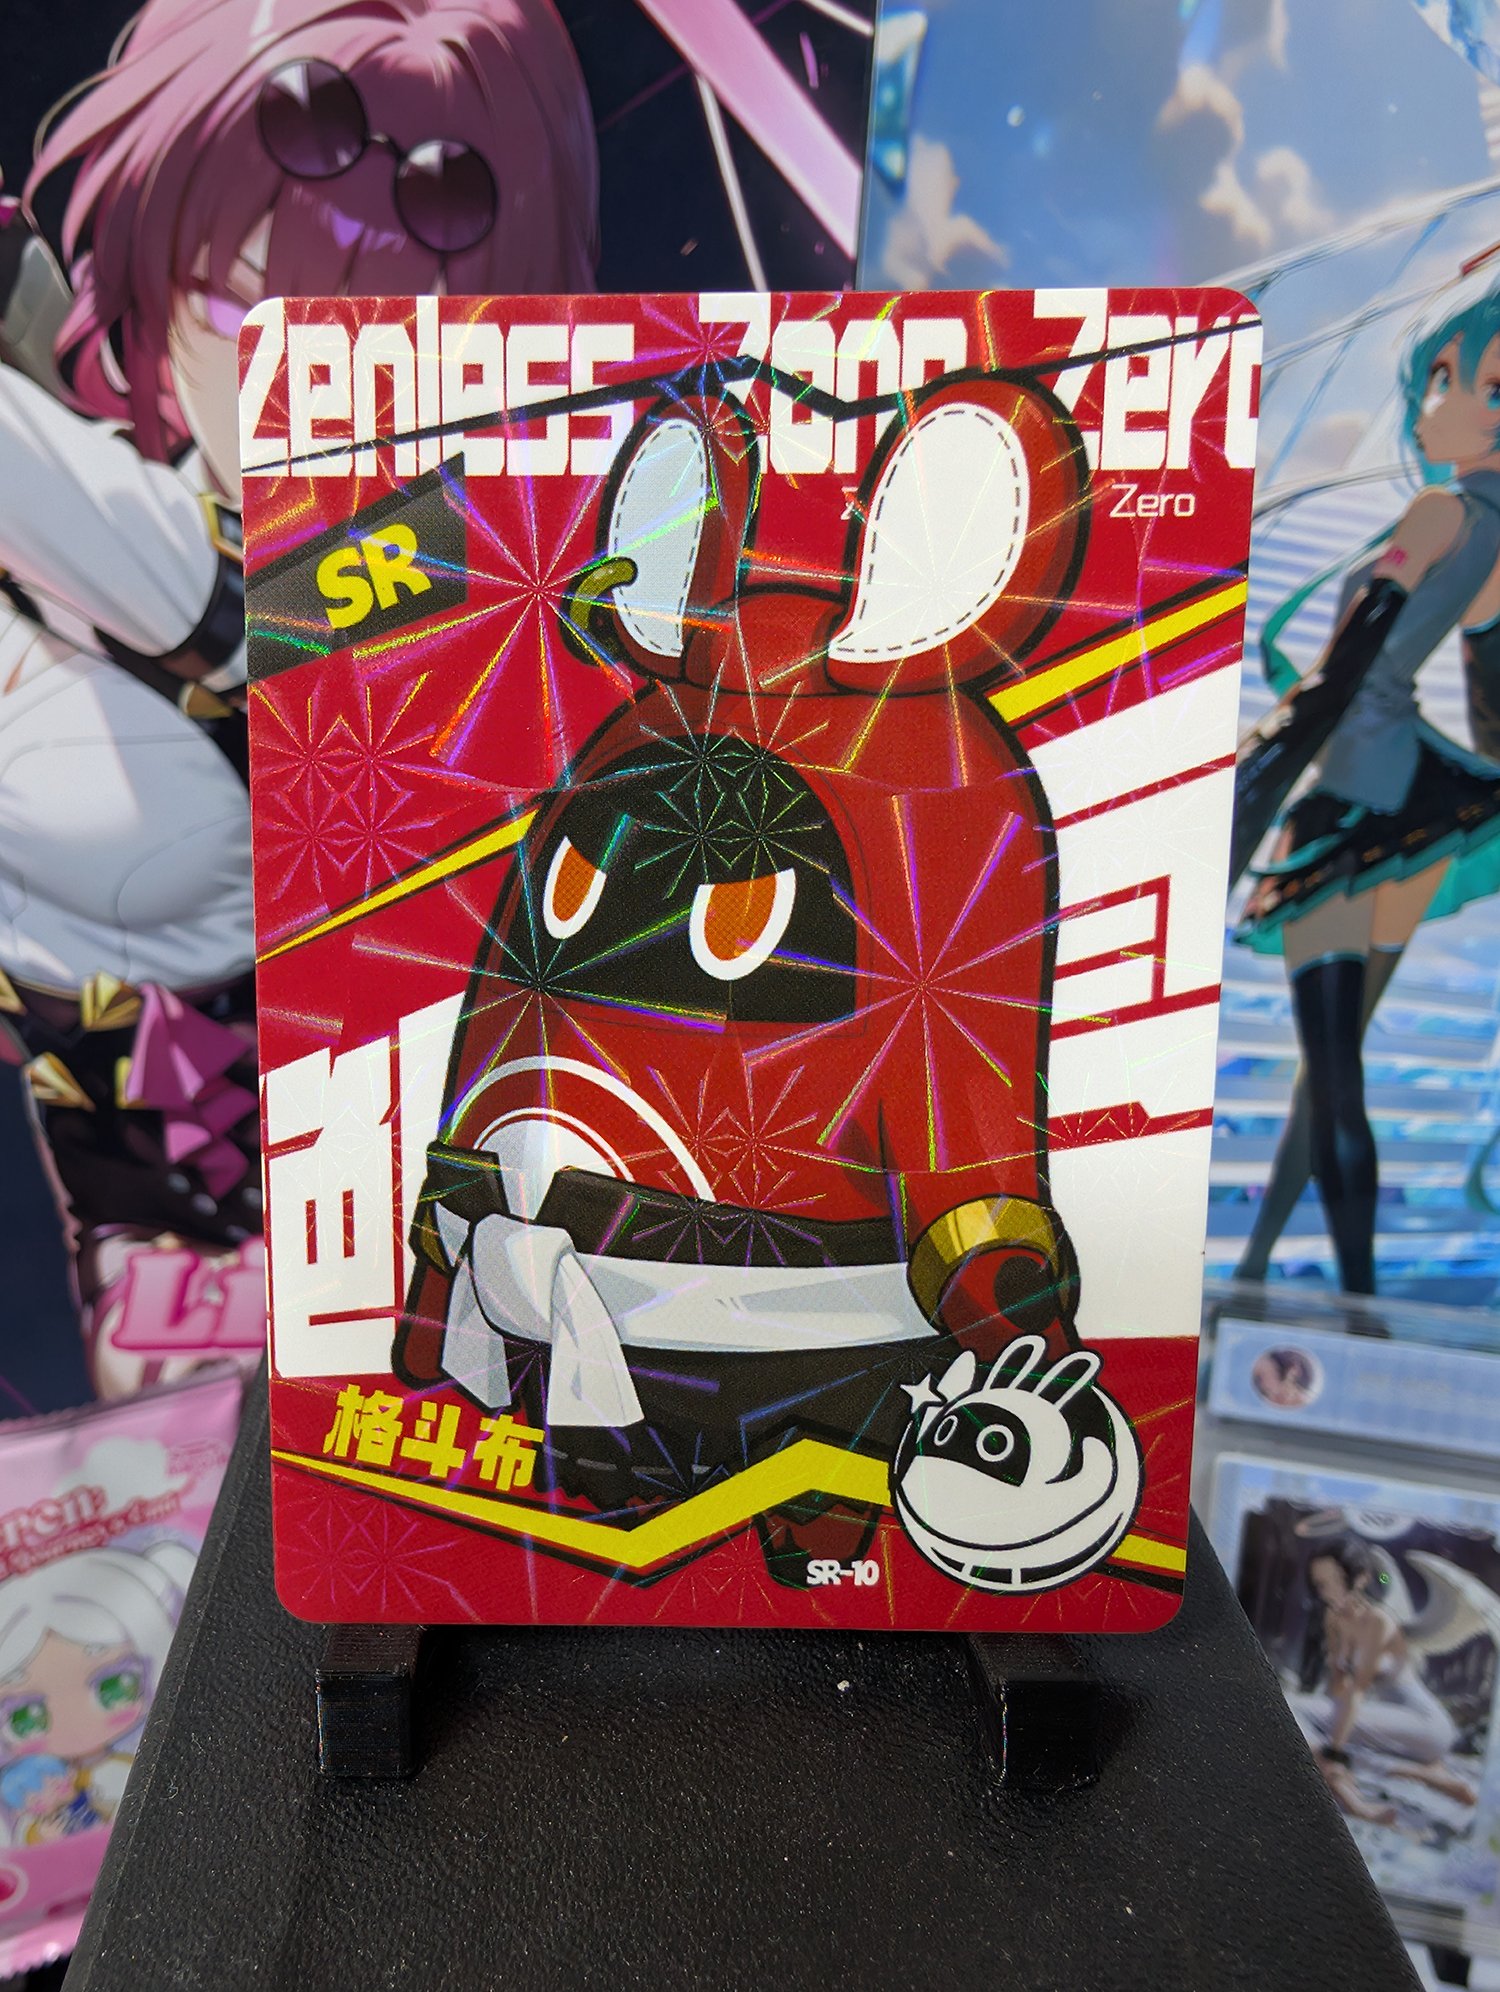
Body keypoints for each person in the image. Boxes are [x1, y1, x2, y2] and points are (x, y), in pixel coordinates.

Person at [0, 0, 598, 1392]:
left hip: (427, 1278)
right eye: (242, 315)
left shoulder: (467, 570)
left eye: (365, 327)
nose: (293, 382)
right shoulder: (143, 526)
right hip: (161, 1304)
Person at [1233, 256, 1500, 1294]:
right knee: (1326, 1073)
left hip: (1354, 797)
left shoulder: (1440, 514)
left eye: (1477, 383)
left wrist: (1263, 771)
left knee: (1333, 1075)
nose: (1445, 402)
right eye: (1441, 376)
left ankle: (1347, 1299)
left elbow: (1346, 673)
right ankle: (1274, 1271)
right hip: (1415, 807)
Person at [0, 1542, 194, 1844]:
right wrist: (45, 1834)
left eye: (113, 1687)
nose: (73, 1722)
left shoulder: (128, 1768)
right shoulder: (45, 1785)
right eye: (24, 1718)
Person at [1294, 1533, 1477, 1826]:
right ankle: (1423, 1774)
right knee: (1314, 1732)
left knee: (1295, 1711)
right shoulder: (1334, 1618)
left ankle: (1345, 1790)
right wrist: (1328, 1734)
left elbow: (1357, 1691)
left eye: (1337, 1579)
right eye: (1321, 1584)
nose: (1329, 1591)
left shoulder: (1378, 1621)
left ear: (1360, 1578)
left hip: (1425, 1724)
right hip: (1393, 1722)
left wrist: (1334, 1752)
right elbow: (1339, 1686)